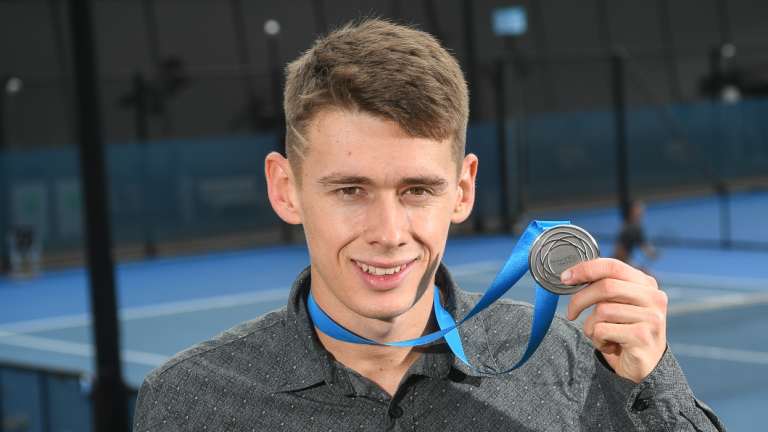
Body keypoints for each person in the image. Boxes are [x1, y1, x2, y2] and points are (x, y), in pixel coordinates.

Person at [133, 19, 724, 431]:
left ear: (463, 190)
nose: (389, 232)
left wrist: (654, 383)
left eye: (417, 190)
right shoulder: (189, 401)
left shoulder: (563, 361)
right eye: (349, 190)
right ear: (285, 188)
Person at [614, 201, 658, 271]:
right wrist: (653, 254)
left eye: (641, 211)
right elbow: (646, 249)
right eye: (638, 210)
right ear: (632, 211)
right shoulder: (634, 228)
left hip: (619, 260)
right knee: (648, 277)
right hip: (622, 262)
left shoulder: (626, 225)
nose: (640, 213)